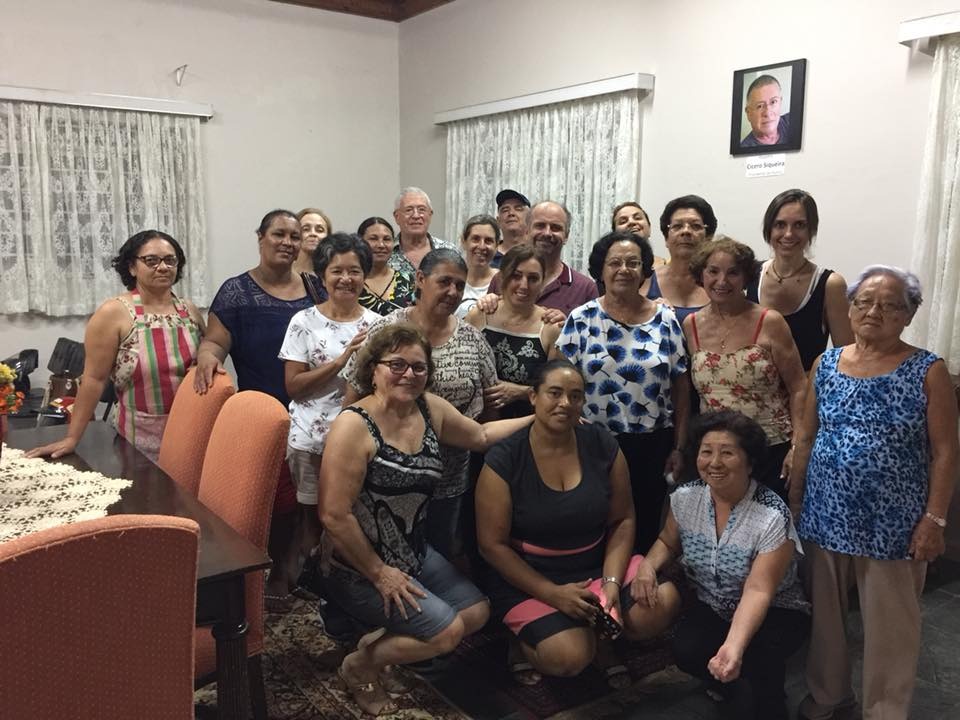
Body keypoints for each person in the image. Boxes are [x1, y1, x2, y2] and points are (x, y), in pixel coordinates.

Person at [319, 323, 535, 716]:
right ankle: (360, 666)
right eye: (397, 365)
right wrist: (379, 573)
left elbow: (481, 436)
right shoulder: (353, 425)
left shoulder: (428, 407)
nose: (409, 374)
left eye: (419, 367)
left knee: (475, 612)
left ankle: (376, 647)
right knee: (447, 631)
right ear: (373, 370)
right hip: (357, 566)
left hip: (412, 551)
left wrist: (537, 418)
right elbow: (334, 515)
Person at [788, 266, 959, 720]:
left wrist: (934, 520)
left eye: (889, 305)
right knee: (827, 617)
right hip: (826, 512)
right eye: (864, 301)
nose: (873, 311)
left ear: (909, 315)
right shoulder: (826, 363)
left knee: (891, 625)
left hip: (895, 522)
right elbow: (806, 436)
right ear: (850, 308)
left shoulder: (928, 370)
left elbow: (945, 453)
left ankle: (884, 710)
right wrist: (798, 501)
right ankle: (829, 694)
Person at [477, 359, 681, 687]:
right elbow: (492, 545)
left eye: (575, 396)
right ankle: (522, 640)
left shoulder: (601, 443)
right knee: (569, 657)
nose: (565, 403)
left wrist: (612, 582)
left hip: (596, 563)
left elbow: (623, 519)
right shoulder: (505, 458)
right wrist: (551, 594)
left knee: (661, 604)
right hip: (532, 575)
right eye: (554, 393)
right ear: (533, 397)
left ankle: (598, 633)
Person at [633, 411, 810, 720]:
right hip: (714, 603)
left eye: (727, 453)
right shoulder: (685, 498)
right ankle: (731, 684)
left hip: (776, 608)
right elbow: (667, 542)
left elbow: (758, 590)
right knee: (687, 649)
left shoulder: (771, 515)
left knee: (759, 658)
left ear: (750, 462)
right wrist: (647, 566)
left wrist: (733, 645)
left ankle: (768, 701)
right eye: (706, 452)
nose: (714, 462)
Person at [343, 248, 497, 561]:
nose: (452, 292)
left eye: (459, 285)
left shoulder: (473, 339)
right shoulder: (385, 331)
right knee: (388, 557)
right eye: (444, 282)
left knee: (438, 558)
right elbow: (353, 399)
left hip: (449, 480)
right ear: (421, 279)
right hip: (386, 481)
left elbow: (490, 408)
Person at [194, 209, 313, 610]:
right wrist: (207, 357)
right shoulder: (236, 292)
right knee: (280, 502)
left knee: (312, 499)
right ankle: (276, 572)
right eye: (278, 234)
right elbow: (215, 341)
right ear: (260, 237)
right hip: (266, 412)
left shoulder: (315, 287)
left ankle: (302, 568)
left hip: (315, 410)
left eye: (294, 236)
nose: (287, 242)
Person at [555, 230, 690, 553]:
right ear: (601, 270)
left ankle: (634, 580)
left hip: (652, 443)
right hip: (590, 441)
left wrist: (679, 446)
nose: (624, 270)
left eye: (633, 263)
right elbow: (558, 383)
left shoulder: (666, 320)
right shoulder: (581, 319)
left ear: (644, 271)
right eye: (614, 263)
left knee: (644, 522)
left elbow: (681, 390)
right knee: (590, 521)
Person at [27, 230, 203, 463]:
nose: (163, 267)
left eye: (170, 260)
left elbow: (207, 361)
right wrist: (72, 438)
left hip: (191, 431)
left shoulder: (189, 311)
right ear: (132, 267)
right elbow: (94, 379)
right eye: (151, 260)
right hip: (138, 437)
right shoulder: (114, 313)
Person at [279, 233, 381, 571]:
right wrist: (341, 360)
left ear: (365, 277)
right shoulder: (303, 322)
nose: (346, 279)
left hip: (357, 440)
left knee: (350, 519)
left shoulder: (377, 326)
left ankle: (344, 581)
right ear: (323, 276)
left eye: (355, 271)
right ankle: (308, 581)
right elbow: (294, 387)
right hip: (310, 439)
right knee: (312, 520)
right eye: (337, 271)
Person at [683, 238, 805, 498]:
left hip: (769, 451)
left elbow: (798, 388)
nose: (722, 281)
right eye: (713, 271)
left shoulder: (770, 321)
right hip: (716, 457)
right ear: (701, 275)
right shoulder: (690, 325)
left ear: (746, 277)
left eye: (733, 272)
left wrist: (797, 448)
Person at [746, 189, 852, 371]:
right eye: (780, 224)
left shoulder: (830, 285)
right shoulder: (750, 274)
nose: (788, 234)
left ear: (811, 230)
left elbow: (848, 359)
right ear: (769, 229)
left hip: (806, 387)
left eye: (799, 225)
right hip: (750, 388)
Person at [465, 245, 561, 418]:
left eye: (533, 278)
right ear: (502, 277)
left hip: (526, 424)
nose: (524, 285)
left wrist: (521, 392)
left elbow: (557, 390)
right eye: (516, 276)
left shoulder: (551, 328)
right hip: (474, 421)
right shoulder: (478, 315)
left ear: (542, 282)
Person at [487, 200, 598, 315]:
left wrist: (566, 324)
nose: (547, 233)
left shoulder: (585, 289)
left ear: (566, 235)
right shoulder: (502, 279)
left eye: (555, 227)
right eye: (540, 226)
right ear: (527, 231)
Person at [643, 195, 717, 324]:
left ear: (708, 237)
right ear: (666, 238)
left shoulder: (722, 284)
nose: (686, 231)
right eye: (677, 226)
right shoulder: (645, 281)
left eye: (695, 226)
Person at [356, 217, 416, 316]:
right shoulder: (351, 281)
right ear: (360, 243)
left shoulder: (407, 279)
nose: (381, 245)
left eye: (387, 239)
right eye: (373, 239)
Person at [389, 187, 454, 277]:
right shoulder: (385, 253)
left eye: (421, 209)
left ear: (430, 215)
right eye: (409, 210)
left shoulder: (449, 251)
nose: (416, 216)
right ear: (397, 217)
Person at [456, 214, 500, 318]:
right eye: (475, 239)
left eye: (488, 241)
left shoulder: (504, 281)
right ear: (463, 241)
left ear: (497, 246)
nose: (482, 246)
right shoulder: (451, 279)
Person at [611, 201, 667, 268]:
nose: (631, 222)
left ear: (649, 228)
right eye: (623, 221)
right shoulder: (606, 270)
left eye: (637, 218)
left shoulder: (668, 267)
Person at [741, 75, 791, 148]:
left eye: (773, 102)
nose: (767, 113)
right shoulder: (745, 149)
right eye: (759, 106)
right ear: (749, 113)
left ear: (780, 102)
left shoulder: (793, 121)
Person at [293, 207, 331, 302]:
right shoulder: (283, 274)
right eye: (306, 229)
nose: (313, 233)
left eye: (320, 230)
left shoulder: (332, 276)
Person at [492, 189, 531, 268]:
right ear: (498, 221)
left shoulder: (540, 254)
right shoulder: (488, 255)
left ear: (530, 218)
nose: (511, 213)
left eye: (518, 209)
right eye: (505, 210)